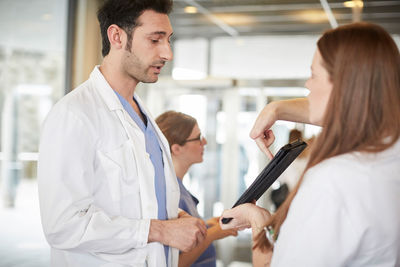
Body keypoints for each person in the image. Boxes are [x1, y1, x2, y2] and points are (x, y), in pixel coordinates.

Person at [37, 1, 207, 266]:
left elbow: (132, 201)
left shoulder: (142, 115)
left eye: (168, 40)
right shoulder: (74, 115)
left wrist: (173, 217)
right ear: (116, 36)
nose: (167, 53)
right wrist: (160, 230)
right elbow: (63, 225)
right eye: (155, 40)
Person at [220, 22, 400, 267]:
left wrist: (257, 222)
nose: (307, 85)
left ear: (344, 86)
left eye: (314, 75)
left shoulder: (333, 182)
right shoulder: (389, 156)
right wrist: (276, 108)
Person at [156, 111, 237, 267]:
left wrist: (208, 226)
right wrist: (213, 234)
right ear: (176, 149)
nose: (204, 142)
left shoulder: (178, 186)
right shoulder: (168, 192)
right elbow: (174, 262)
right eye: (198, 138)